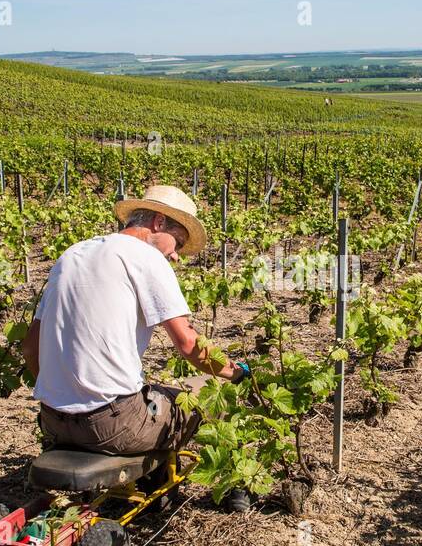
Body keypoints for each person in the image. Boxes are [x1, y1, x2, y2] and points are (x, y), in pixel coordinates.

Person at [20, 184, 250, 471]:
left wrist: (64, 397)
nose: (176, 255)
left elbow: (30, 347)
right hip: (114, 426)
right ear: (159, 222)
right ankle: (236, 489)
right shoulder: (146, 257)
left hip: (52, 423)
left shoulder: (72, 254)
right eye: (177, 243)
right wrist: (236, 373)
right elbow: (189, 345)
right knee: (208, 392)